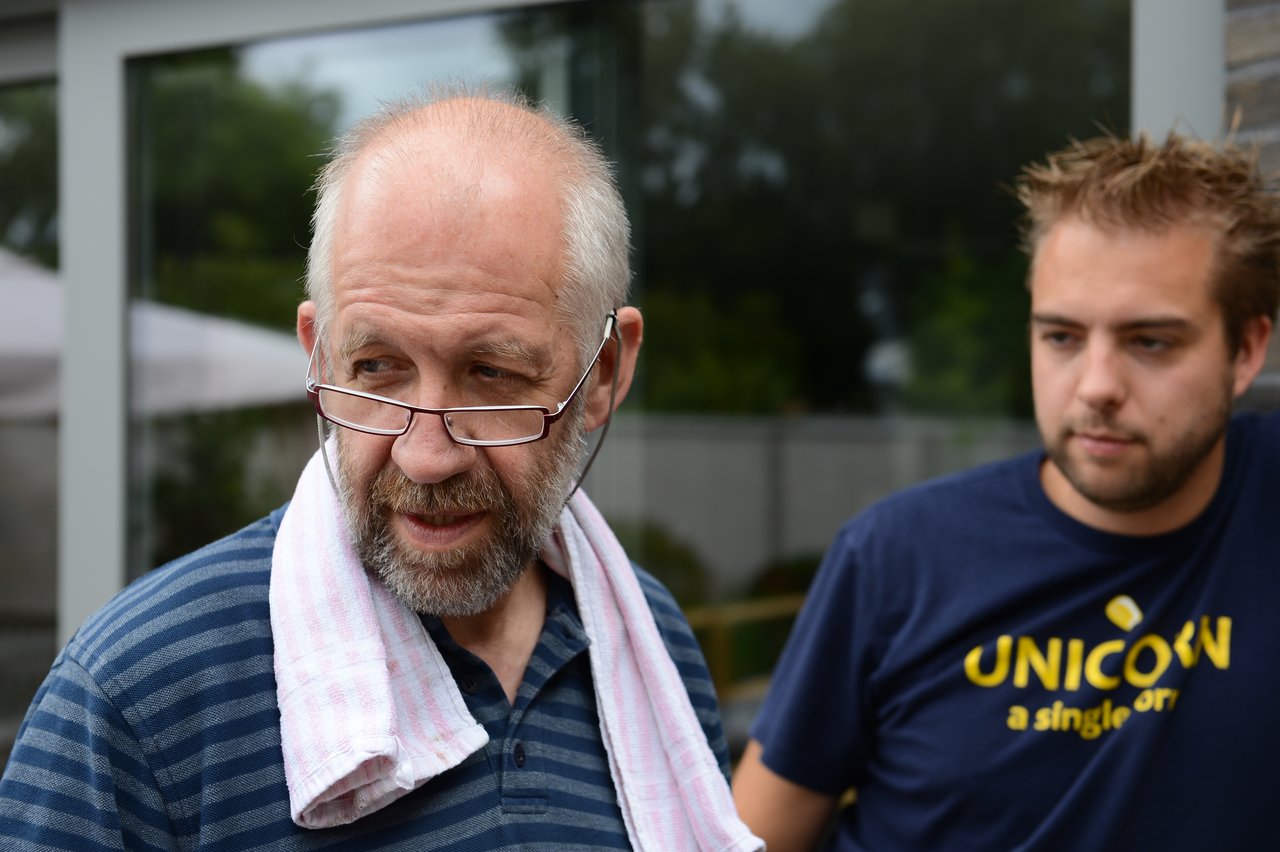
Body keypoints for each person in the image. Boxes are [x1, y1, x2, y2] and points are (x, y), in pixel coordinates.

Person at [0, 85, 761, 851]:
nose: (425, 457)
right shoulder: (136, 698)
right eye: (376, 367)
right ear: (319, 353)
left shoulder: (649, 643)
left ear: (603, 375)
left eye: (492, 374)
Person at [732, 131, 1280, 851]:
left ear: (1246, 350)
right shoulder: (898, 557)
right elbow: (744, 839)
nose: (1097, 386)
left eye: (1150, 342)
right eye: (1062, 337)